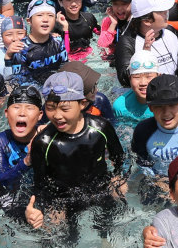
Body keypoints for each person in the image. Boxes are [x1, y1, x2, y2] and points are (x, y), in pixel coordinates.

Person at [29, 71, 126, 211]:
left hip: (101, 189)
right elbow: (40, 183)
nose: (57, 115)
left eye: (65, 108)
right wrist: (51, 208)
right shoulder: (43, 142)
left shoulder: (101, 127)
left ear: (82, 103)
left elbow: (118, 156)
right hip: (64, 198)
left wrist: (118, 178)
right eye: (50, 108)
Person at [114, 0, 178, 87]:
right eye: (161, 11)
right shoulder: (127, 42)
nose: (167, 13)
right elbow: (124, 80)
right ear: (147, 21)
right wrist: (144, 54)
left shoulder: (171, 32)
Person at [0, 86, 41, 189]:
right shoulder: (0, 141)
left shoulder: (46, 138)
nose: (22, 113)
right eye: (16, 107)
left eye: (29, 108)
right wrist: (26, 162)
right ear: (6, 113)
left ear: (40, 116)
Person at [16, 0, 68, 86]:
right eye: (40, 15)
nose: (45, 19)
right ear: (29, 21)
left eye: (50, 15)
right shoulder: (21, 48)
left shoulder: (58, 42)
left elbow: (65, 67)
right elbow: (20, 80)